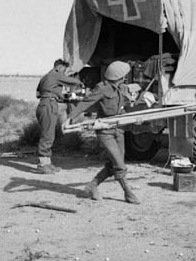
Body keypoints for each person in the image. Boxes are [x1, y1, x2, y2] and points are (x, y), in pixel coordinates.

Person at [63, 61, 140, 204]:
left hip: (119, 129)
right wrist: (70, 118)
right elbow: (86, 102)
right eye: (124, 76)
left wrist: (135, 117)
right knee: (119, 164)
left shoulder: (122, 88)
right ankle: (128, 192)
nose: (125, 78)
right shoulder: (102, 88)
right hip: (105, 131)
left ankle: (92, 186)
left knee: (115, 162)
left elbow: (123, 108)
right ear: (118, 76)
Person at [35, 59, 82, 174]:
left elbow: (38, 94)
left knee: (49, 134)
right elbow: (73, 81)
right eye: (64, 70)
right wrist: (80, 81)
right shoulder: (55, 75)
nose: (64, 73)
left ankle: (47, 163)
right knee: (48, 135)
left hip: (45, 103)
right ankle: (42, 164)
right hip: (49, 105)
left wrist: (57, 95)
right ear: (59, 67)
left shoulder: (45, 77)